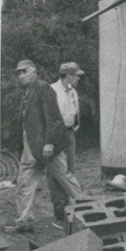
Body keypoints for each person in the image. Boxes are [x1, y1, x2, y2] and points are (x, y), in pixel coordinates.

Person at [12, 59, 87, 232]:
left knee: (66, 179)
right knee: (24, 184)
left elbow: (54, 119)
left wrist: (49, 143)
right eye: (19, 73)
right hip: (31, 147)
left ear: (34, 72)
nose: (21, 76)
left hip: (47, 147)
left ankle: (90, 211)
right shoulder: (28, 91)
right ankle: (23, 221)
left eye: (24, 72)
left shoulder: (44, 88)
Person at [49, 61, 84, 222]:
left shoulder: (73, 92)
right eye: (76, 76)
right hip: (56, 133)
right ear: (68, 75)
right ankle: (60, 208)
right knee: (57, 172)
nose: (78, 79)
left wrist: (74, 128)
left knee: (70, 169)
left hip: (69, 132)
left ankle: (72, 206)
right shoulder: (52, 90)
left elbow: (74, 113)